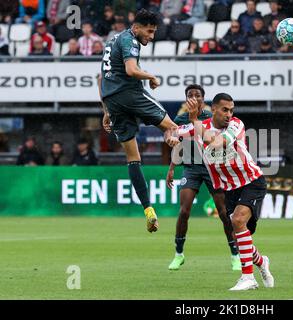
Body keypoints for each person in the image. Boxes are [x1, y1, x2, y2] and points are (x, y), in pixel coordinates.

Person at [176, 93, 275, 291]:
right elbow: (174, 131)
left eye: (231, 110)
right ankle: (261, 261)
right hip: (229, 189)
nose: (229, 114)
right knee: (240, 235)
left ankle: (248, 278)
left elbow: (218, 142)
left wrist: (195, 124)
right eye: (224, 110)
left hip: (251, 182)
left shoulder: (236, 125)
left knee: (238, 222)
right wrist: (172, 138)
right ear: (213, 109)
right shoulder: (201, 126)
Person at [99, 9, 180, 234]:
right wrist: (151, 76)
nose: (152, 36)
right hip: (129, 94)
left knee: (133, 158)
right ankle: (172, 141)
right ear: (136, 28)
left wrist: (106, 109)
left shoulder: (112, 40)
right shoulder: (129, 39)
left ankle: (148, 210)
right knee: (174, 127)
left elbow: (101, 77)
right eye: (150, 31)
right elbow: (131, 70)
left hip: (112, 99)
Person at [166, 85, 240, 271]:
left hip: (212, 167)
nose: (194, 97)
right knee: (184, 210)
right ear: (186, 99)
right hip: (191, 167)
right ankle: (178, 254)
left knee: (224, 212)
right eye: (190, 95)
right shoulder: (180, 119)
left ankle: (235, 254)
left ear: (203, 99)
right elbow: (176, 142)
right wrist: (172, 167)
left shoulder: (211, 117)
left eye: (197, 95)